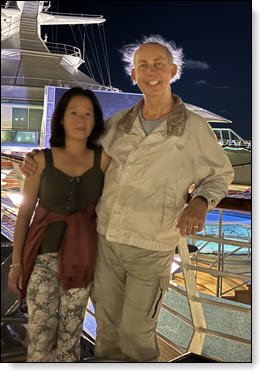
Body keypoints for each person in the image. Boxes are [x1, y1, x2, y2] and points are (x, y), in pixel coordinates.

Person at [22, 35, 234, 362]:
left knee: (137, 334)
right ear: (133, 75)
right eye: (143, 66)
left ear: (173, 71)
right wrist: (40, 158)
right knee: (106, 329)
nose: (151, 72)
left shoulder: (193, 128)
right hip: (106, 239)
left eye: (159, 65)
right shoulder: (118, 124)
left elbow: (220, 174)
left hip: (151, 246)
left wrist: (201, 201)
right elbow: (83, 154)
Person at [8, 87, 110, 362]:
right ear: (61, 119)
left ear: (95, 120)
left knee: (70, 338)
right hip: (42, 258)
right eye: (74, 112)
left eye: (88, 113)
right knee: (41, 338)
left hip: (82, 260)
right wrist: (17, 264)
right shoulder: (41, 159)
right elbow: (25, 211)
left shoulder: (104, 160)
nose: (81, 119)